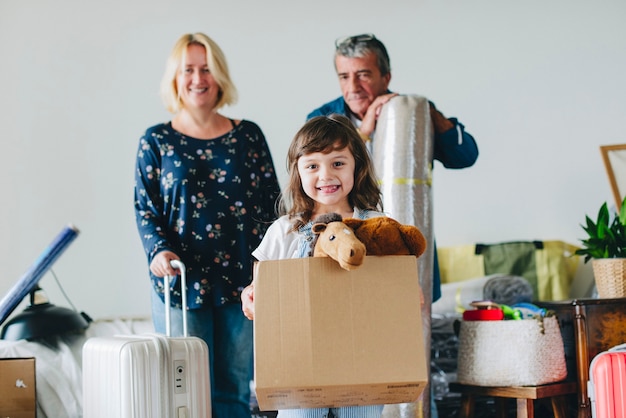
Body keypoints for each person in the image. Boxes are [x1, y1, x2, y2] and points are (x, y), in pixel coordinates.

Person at [134, 32, 281, 418]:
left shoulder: (248, 135)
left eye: (207, 69)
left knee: (233, 389)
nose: (198, 78)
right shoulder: (156, 141)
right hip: (181, 281)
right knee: (184, 391)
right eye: (189, 70)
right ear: (175, 79)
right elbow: (145, 207)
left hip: (242, 279)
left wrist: (274, 267)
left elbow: (273, 204)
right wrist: (158, 250)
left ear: (219, 77)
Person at [307, 33, 479, 303]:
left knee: (409, 317)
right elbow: (312, 178)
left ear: (386, 77)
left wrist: (428, 114)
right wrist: (362, 134)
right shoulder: (322, 119)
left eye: (363, 74)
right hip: (345, 237)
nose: (353, 86)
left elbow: (465, 156)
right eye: (344, 76)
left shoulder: (408, 114)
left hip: (402, 233)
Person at [241, 114, 389, 418]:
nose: (325, 175)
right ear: (298, 171)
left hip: (362, 359)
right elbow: (262, 285)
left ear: (356, 165)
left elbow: (394, 283)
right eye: (312, 166)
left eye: (338, 163)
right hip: (299, 360)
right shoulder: (284, 230)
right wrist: (251, 295)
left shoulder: (376, 226)